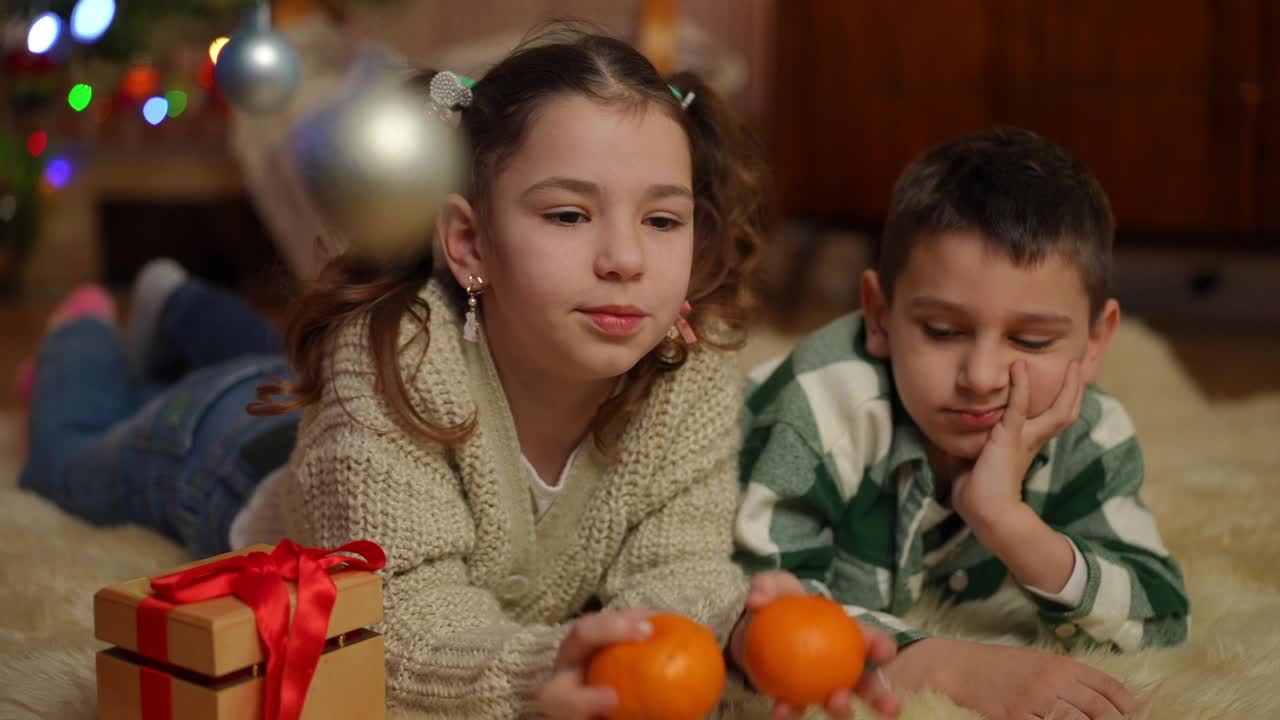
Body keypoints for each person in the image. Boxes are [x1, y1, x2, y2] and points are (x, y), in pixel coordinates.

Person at [249, 29, 898, 720]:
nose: (624, 257)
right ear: (470, 243)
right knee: (165, 409)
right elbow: (398, 622)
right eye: (568, 214)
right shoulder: (392, 364)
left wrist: (731, 634)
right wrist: (543, 668)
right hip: (224, 471)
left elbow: (675, 566)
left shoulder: (691, 368)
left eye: (660, 219)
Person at [735, 127, 1190, 720]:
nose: (980, 376)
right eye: (943, 331)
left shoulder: (1089, 429)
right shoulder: (817, 408)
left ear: (1096, 341)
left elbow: (1160, 618)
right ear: (878, 315)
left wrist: (1010, 524)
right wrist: (952, 667)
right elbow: (751, 611)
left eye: (1030, 340)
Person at [17, 258, 298, 559]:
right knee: (58, 465)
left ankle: (178, 303)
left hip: (290, 385)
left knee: (272, 358)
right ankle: (79, 333)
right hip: (223, 454)